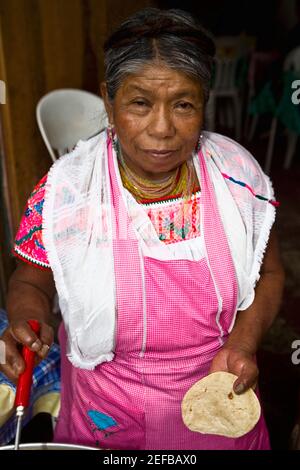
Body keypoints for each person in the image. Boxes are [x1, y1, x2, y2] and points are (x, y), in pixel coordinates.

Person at [0, 8, 285, 450]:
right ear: (109, 102)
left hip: (218, 403)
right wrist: (25, 318)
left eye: (184, 105)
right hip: (108, 416)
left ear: (204, 103)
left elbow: (270, 273)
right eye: (140, 103)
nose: (162, 128)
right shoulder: (69, 190)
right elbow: (31, 277)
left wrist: (243, 344)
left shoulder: (237, 177)